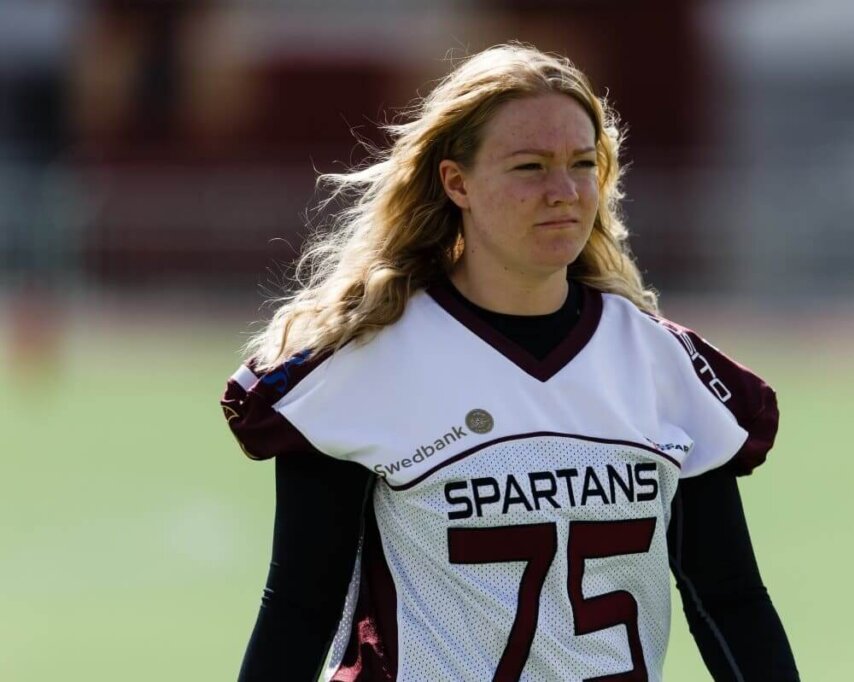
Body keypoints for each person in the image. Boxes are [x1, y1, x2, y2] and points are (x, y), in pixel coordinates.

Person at [221, 43, 799, 681]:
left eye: (583, 163)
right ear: (456, 181)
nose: (564, 191)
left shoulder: (663, 367)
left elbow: (730, 599)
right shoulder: (363, 363)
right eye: (530, 166)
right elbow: (302, 606)